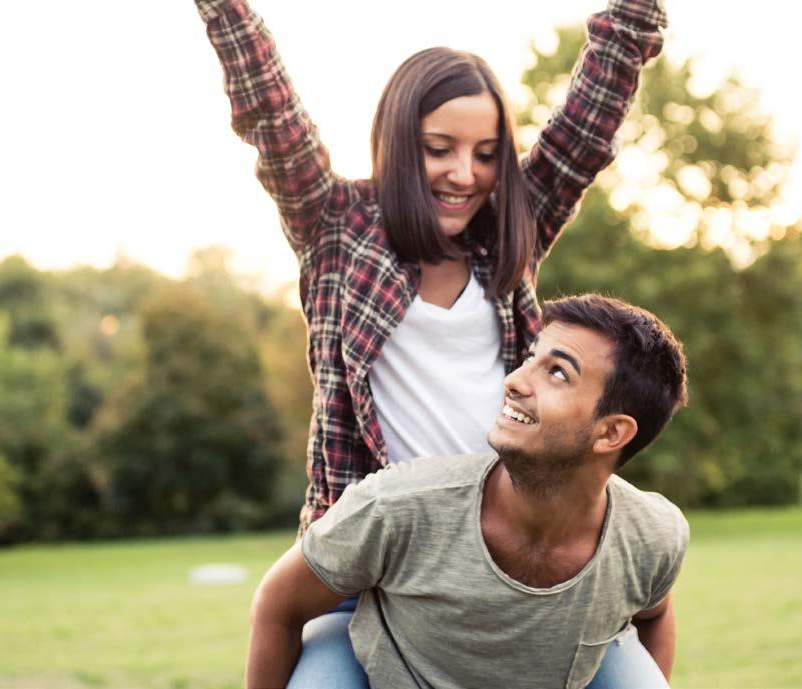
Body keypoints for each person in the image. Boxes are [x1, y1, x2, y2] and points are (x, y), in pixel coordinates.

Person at [193, 0, 669, 685]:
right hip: (373, 561)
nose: (463, 174)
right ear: (396, 140)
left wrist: (633, 16)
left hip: (507, 545)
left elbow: (589, 121)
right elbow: (269, 110)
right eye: (438, 148)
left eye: (484, 153)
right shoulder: (334, 228)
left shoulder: (511, 229)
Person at [246, 294, 690, 689]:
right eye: (530, 358)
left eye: (556, 373)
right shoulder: (395, 506)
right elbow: (277, 606)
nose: (515, 381)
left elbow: (655, 615)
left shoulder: (652, 533)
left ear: (611, 433)